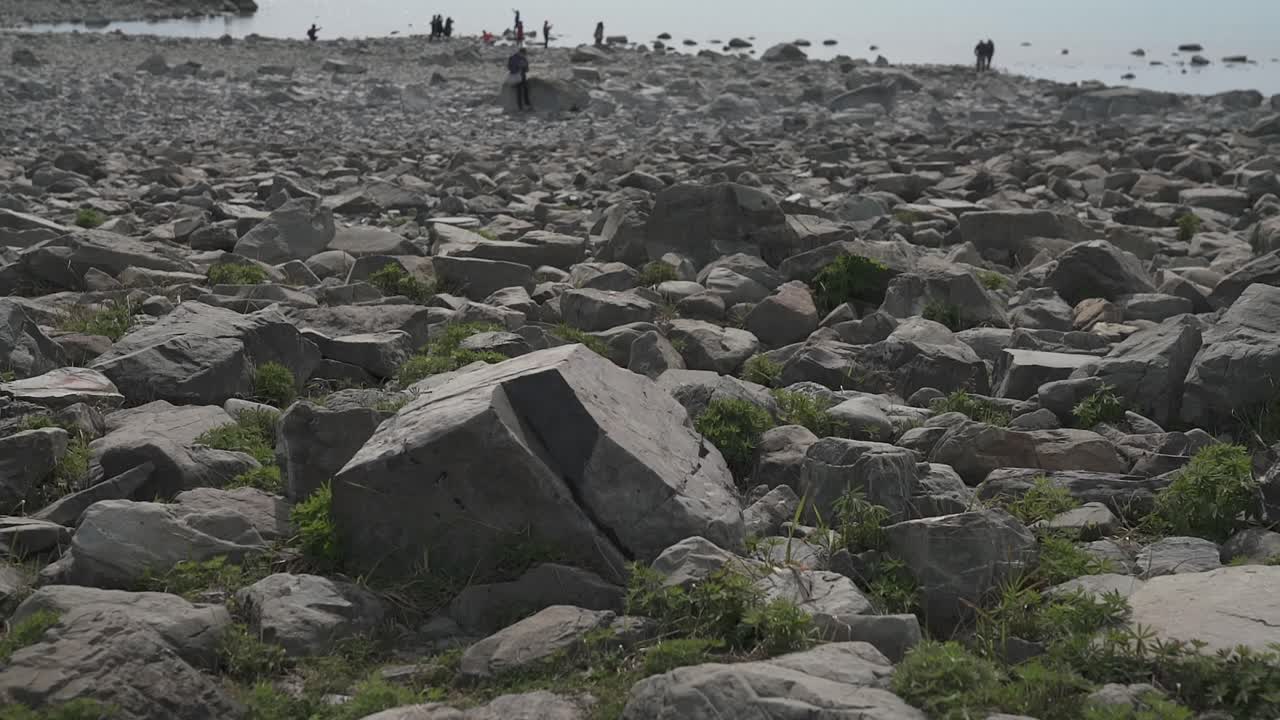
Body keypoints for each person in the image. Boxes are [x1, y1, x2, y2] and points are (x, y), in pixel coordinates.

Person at [507, 47, 531, 111]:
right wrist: (517, 69)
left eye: (525, 54)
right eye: (523, 53)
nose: (524, 55)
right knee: (519, 91)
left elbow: (527, 69)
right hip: (516, 76)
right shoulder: (513, 58)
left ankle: (527, 105)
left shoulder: (524, 58)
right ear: (520, 52)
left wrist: (524, 68)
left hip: (522, 76)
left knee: (525, 90)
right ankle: (520, 107)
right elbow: (509, 67)